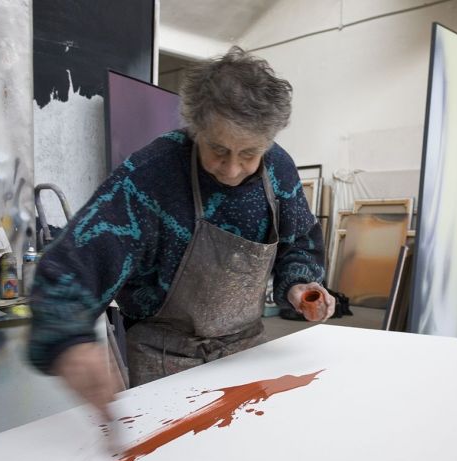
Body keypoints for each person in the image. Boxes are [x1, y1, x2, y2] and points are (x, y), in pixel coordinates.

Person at [28, 47, 334, 419]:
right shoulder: (151, 175)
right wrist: (68, 340)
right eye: (218, 149)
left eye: (249, 153)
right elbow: (70, 264)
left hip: (247, 349)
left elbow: (298, 241)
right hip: (164, 357)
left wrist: (300, 285)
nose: (234, 169)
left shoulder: (278, 170)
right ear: (195, 128)